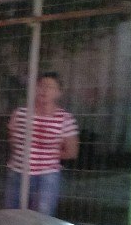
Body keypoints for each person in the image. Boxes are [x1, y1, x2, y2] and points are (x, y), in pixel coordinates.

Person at [5, 72, 79, 215]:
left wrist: (46, 155)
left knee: (41, 219)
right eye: (41, 86)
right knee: (11, 216)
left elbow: (72, 152)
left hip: (46, 177)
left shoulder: (65, 119)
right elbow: (13, 140)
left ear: (58, 93)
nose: (44, 90)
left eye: (50, 87)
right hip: (17, 173)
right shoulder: (20, 114)